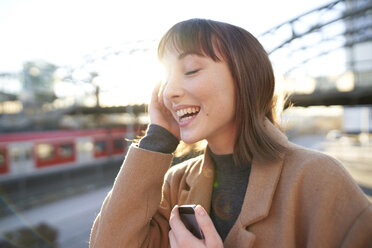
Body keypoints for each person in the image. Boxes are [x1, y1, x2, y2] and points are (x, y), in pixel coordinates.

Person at [89, 19, 372, 248]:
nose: (170, 91)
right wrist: (158, 138)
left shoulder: (318, 178)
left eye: (190, 70)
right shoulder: (175, 184)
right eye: (167, 78)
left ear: (245, 78)